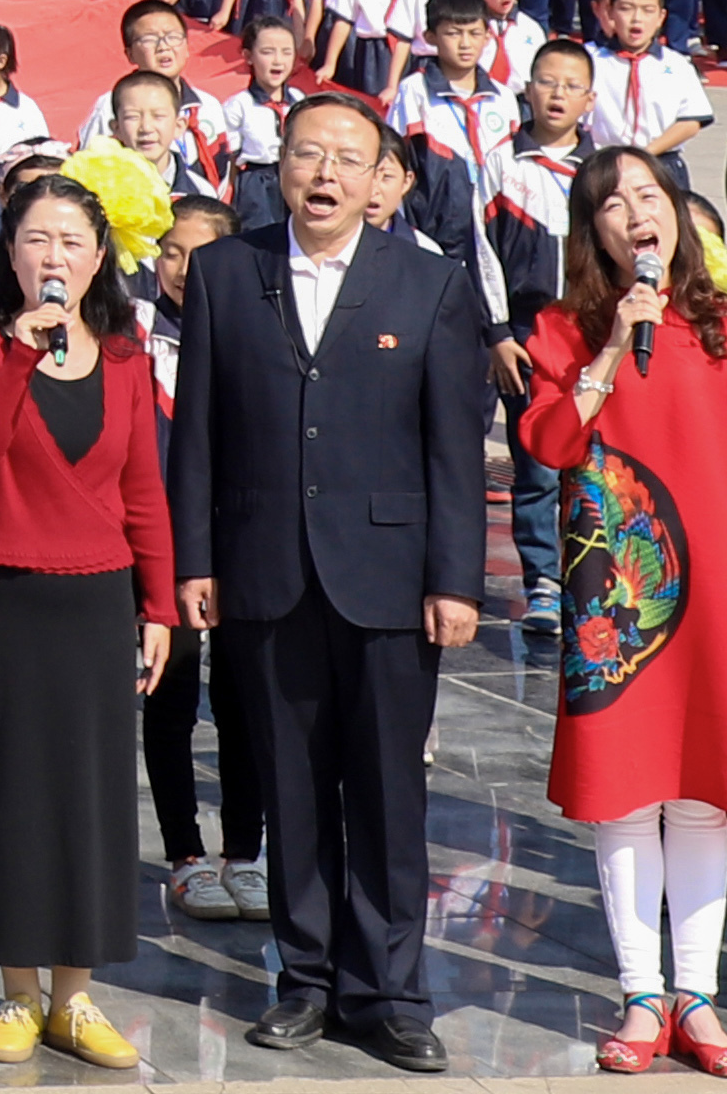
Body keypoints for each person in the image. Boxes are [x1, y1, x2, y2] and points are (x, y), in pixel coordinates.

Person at [164, 93, 485, 1076]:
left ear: (381, 175)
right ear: (280, 164)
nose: (325, 172)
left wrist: (456, 578)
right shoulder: (227, 270)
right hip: (265, 569)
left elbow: (453, 450)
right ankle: (303, 977)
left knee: (388, 792)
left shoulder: (428, 282)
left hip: (390, 577)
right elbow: (201, 434)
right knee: (292, 786)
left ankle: (390, 989)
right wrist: (194, 558)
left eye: (347, 156)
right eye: (308, 152)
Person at [515, 149, 727, 1080]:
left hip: (724, 578)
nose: (637, 213)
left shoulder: (723, 325)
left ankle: (699, 996)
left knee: (705, 791)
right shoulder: (565, 328)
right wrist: (609, 348)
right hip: (622, 588)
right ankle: (642, 994)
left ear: (676, 214)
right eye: (613, 204)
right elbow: (557, 439)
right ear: (593, 231)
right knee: (629, 787)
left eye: (651, 196)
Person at [0, 162, 169, 1072]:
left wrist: (157, 602)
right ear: (10, 251)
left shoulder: (125, 355)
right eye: (36, 238)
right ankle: (17, 994)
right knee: (9, 798)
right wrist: (25, 351)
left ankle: (75, 998)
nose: (54, 255)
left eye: (72, 241)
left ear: (101, 254)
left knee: (88, 799)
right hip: (5, 606)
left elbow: (142, 488)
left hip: (96, 602)